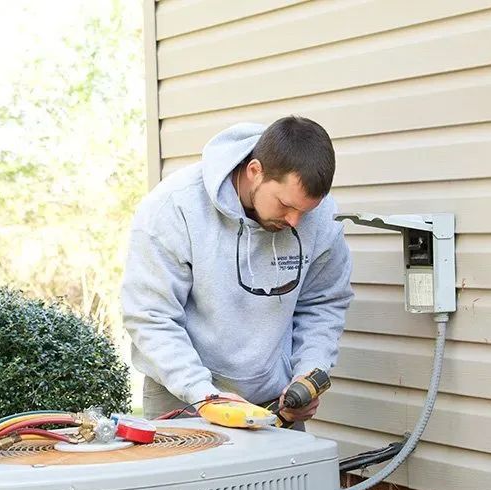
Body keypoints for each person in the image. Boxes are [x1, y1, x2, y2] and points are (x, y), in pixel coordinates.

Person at [121, 117, 354, 424]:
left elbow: (323, 303)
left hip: (274, 403)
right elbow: (151, 316)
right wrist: (204, 394)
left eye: (304, 211)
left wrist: (308, 372)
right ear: (255, 171)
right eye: (285, 205)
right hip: (183, 397)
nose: (295, 221)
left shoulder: (320, 219)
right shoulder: (174, 208)